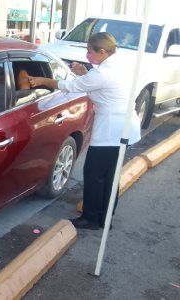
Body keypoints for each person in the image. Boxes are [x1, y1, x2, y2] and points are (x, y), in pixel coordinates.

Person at [28, 32, 141, 230]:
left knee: (95, 175)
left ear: (103, 52)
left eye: (90, 52)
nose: (88, 56)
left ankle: (91, 218)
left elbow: (73, 86)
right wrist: (86, 71)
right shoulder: (118, 63)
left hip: (111, 131)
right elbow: (95, 83)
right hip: (124, 127)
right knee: (109, 177)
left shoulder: (102, 73)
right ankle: (104, 217)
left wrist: (42, 81)